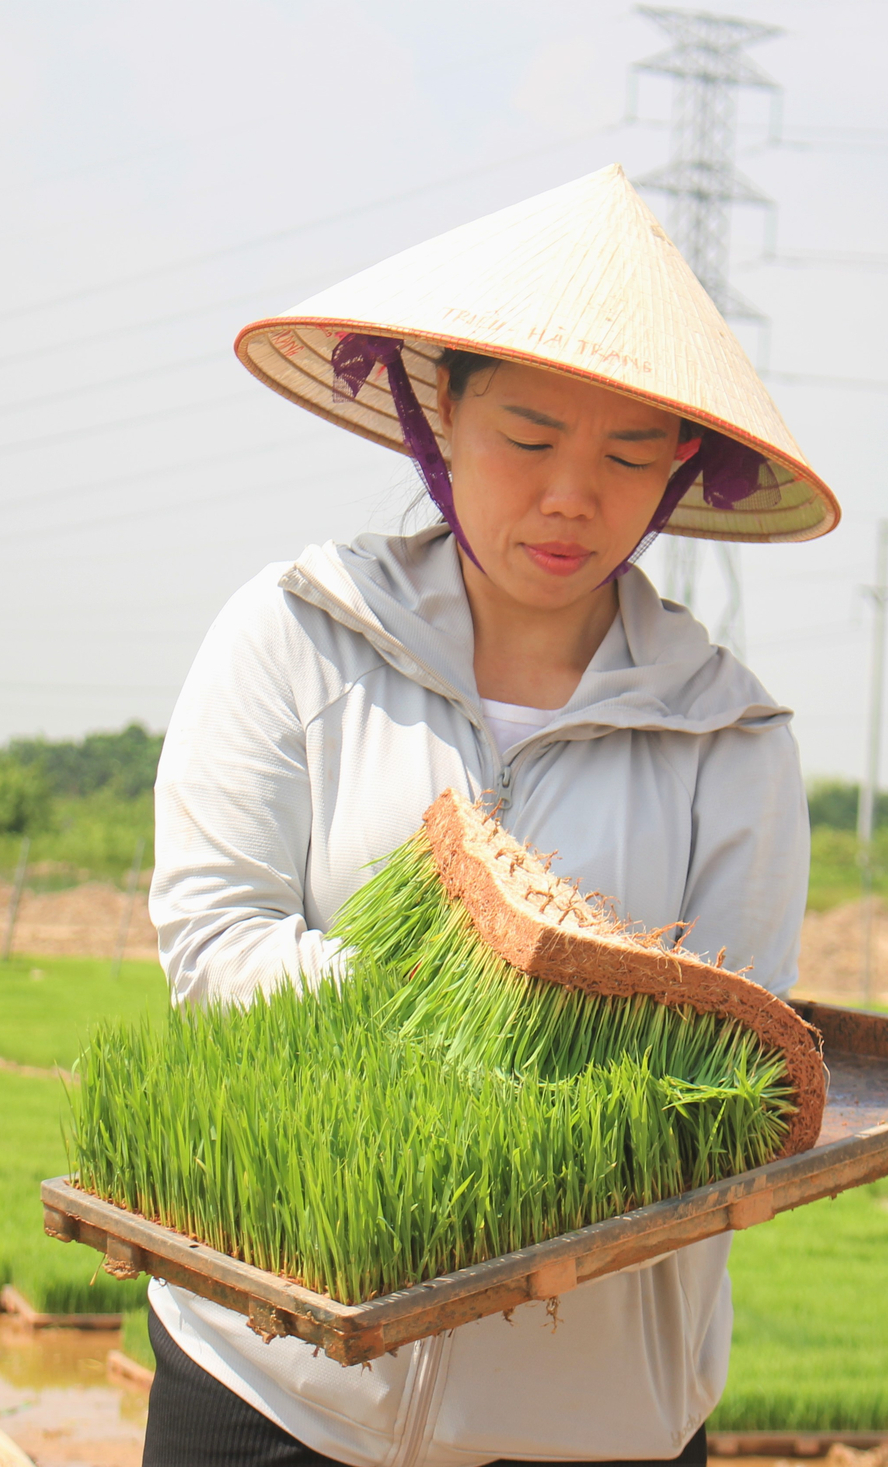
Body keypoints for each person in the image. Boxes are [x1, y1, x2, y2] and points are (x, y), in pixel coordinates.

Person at [144, 164, 841, 1467]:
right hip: (274, 1382)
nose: (575, 495)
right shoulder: (294, 636)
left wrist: (572, 1059)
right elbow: (214, 942)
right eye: (530, 439)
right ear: (438, 415)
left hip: (592, 1424)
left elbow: (733, 1068)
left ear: (681, 467)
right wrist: (489, 1009)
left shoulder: (729, 735)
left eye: (631, 454)